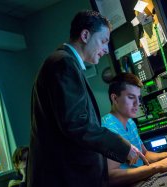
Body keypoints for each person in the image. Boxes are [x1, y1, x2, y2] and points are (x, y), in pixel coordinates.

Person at [27, 10, 148, 187]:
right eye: (104, 41)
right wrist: (124, 147)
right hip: (63, 179)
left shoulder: (65, 63)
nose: (106, 49)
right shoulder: (63, 63)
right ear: (85, 35)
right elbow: (78, 125)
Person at [101, 73, 167, 186]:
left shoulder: (130, 122)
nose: (137, 103)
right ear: (115, 98)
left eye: (138, 98)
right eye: (131, 97)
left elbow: (145, 154)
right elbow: (112, 177)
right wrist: (157, 166)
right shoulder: (108, 127)